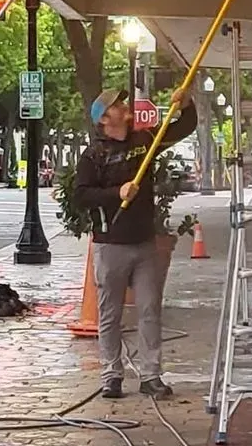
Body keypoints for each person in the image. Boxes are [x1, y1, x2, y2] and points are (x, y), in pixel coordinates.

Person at [75, 85, 196, 399]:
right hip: (110, 243)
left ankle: (150, 375)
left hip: (144, 243)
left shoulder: (144, 140)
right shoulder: (93, 155)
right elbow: (82, 195)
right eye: (118, 105)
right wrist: (117, 193)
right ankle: (111, 375)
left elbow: (183, 126)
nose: (125, 107)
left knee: (149, 309)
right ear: (104, 119)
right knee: (110, 314)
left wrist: (186, 103)